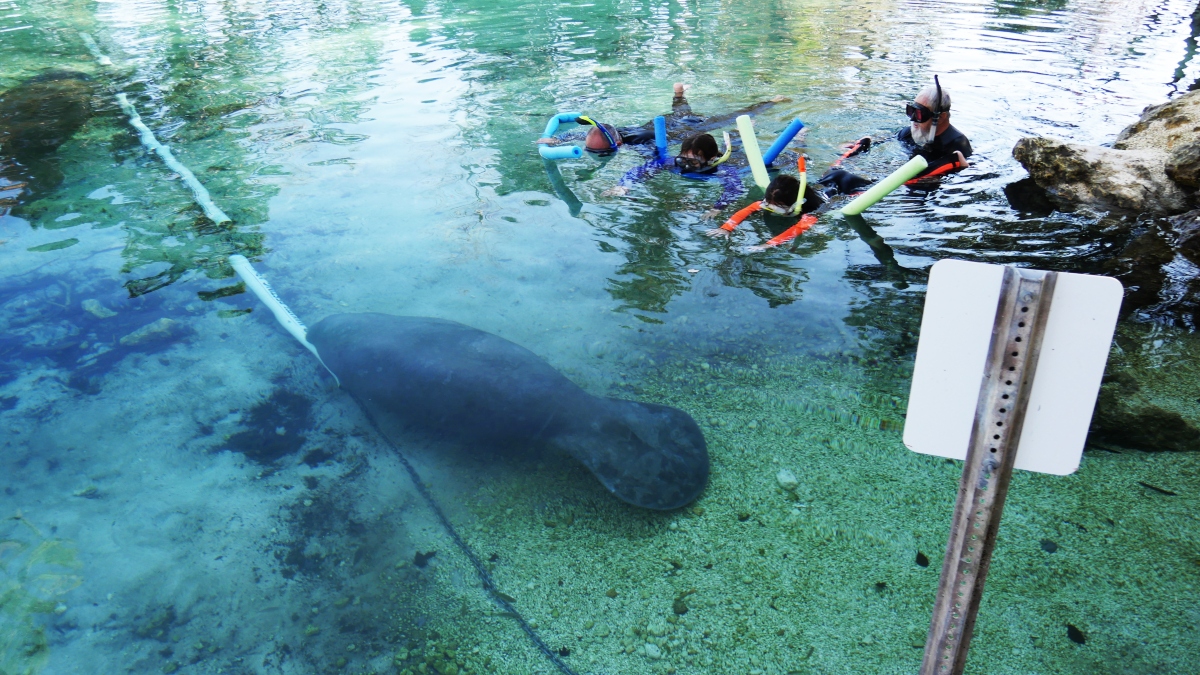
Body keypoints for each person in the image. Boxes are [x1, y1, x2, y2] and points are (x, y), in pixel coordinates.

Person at [704, 157, 827, 250]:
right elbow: (748, 209)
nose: (770, 209)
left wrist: (766, 245)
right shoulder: (772, 200)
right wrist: (727, 228)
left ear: (796, 204)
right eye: (768, 204)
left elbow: (797, 228)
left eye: (778, 207)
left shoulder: (812, 212)